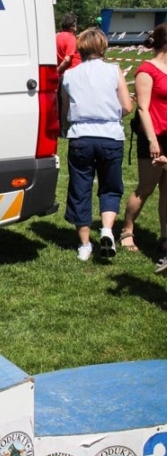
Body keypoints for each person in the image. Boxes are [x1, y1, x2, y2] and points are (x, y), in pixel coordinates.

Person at [61, 27, 132, 260]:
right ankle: (107, 229)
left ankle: (84, 245)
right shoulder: (114, 71)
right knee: (110, 186)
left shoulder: (69, 75)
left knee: (80, 188)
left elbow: (64, 110)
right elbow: (127, 106)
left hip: (80, 136)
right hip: (110, 135)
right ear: (103, 47)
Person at [119, 23, 167, 274]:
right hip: (153, 137)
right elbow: (143, 109)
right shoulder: (146, 71)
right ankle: (127, 229)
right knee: (146, 188)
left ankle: (165, 237)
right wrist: (152, 141)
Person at [56, 13, 80, 134]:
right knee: (70, 103)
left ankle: (62, 128)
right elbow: (67, 59)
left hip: (62, 75)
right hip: (71, 73)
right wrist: (58, 71)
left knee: (61, 103)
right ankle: (67, 129)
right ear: (72, 25)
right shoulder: (71, 38)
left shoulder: (57, 36)